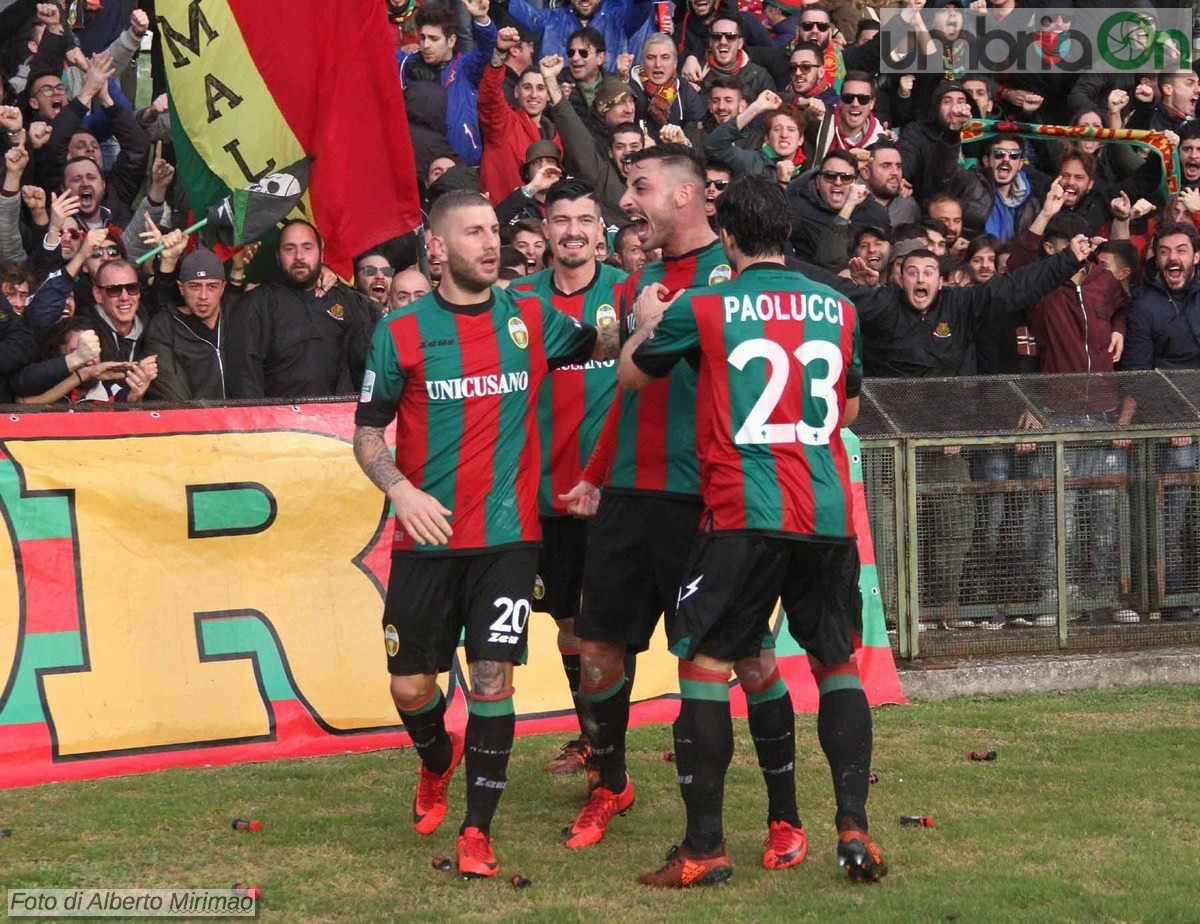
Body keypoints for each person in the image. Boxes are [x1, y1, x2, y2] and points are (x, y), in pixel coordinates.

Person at [618, 173, 882, 888]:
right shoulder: (836, 305)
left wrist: (645, 316)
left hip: (743, 510)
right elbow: (849, 412)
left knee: (705, 665)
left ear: (727, 237)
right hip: (826, 512)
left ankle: (704, 847)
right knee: (835, 664)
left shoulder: (708, 303)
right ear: (788, 234)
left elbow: (631, 378)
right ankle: (854, 827)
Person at [351, 189, 612, 878]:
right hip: (427, 540)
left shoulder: (528, 312)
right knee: (410, 686)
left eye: (493, 230)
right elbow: (368, 432)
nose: (490, 243)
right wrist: (400, 490)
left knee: (492, 678)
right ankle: (438, 757)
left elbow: (595, 344)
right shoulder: (400, 332)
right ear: (436, 249)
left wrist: (652, 325)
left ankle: (477, 832)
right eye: (472, 233)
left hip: (507, 537)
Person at [559, 147, 804, 872]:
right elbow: (624, 393)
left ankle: (785, 817)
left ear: (689, 195)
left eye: (641, 187)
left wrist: (642, 327)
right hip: (629, 496)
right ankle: (610, 783)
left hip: (707, 499)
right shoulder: (639, 282)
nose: (628, 201)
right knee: (599, 650)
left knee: (748, 657)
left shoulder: (734, 281)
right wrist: (597, 474)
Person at [509, 179, 626, 774]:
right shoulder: (519, 299)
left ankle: (610, 753)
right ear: (544, 231)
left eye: (585, 219)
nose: (574, 230)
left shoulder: (630, 295)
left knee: (605, 626)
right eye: (562, 220)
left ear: (601, 232)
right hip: (543, 492)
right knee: (567, 621)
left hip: (611, 492)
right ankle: (588, 738)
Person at [226, 220, 375, 399]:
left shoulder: (346, 301)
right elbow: (244, 375)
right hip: (279, 423)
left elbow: (369, 363)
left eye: (307, 248)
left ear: (321, 254)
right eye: (289, 249)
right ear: (277, 256)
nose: (299, 257)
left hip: (337, 420)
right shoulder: (257, 304)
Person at [397, 0, 497, 167]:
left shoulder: (466, 68)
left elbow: (487, 47)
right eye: (422, 38)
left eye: (434, 39)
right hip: (418, 164)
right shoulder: (405, 63)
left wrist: (482, 19)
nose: (425, 45)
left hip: (463, 165)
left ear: (451, 41)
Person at [478, 27, 562, 205]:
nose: (533, 95)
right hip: (505, 222)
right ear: (516, 92)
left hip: (541, 224)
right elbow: (489, 96)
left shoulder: (555, 135)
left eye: (540, 88)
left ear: (548, 94)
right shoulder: (503, 123)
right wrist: (500, 53)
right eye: (527, 88)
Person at [145, 247, 241, 402]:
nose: (203, 296)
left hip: (244, 421)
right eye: (195, 286)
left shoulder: (237, 317)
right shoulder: (165, 326)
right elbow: (171, 391)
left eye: (212, 286)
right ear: (181, 288)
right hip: (194, 422)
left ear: (223, 288)